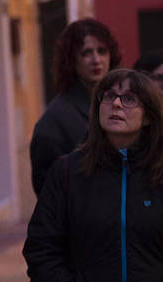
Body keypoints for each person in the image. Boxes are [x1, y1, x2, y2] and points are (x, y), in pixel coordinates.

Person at [23, 69, 163, 282]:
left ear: (149, 115)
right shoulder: (68, 172)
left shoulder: (159, 175)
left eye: (129, 98)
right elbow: (42, 249)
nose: (116, 104)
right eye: (109, 96)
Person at [30, 18, 121, 195]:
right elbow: (47, 189)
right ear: (71, 60)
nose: (96, 60)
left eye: (102, 51)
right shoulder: (54, 120)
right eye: (86, 53)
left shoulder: (122, 104)